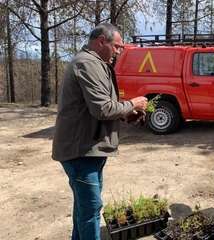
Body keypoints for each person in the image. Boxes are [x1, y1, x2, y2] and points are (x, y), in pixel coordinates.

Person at [52, 23, 148, 240]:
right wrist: (132, 104)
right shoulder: (87, 63)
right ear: (101, 41)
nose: (119, 51)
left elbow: (103, 104)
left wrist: (126, 114)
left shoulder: (96, 63)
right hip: (81, 152)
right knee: (91, 210)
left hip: (90, 150)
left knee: (85, 208)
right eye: (117, 46)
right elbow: (102, 109)